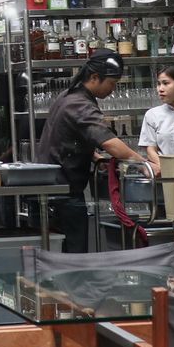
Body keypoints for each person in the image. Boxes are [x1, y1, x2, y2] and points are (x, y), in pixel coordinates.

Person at [35, 50, 154, 253]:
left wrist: (96, 157)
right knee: (75, 256)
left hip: (56, 187)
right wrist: (144, 165)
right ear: (94, 77)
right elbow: (110, 143)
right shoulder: (79, 104)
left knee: (67, 254)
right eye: (112, 83)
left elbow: (70, 137)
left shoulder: (69, 96)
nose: (113, 89)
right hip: (64, 192)